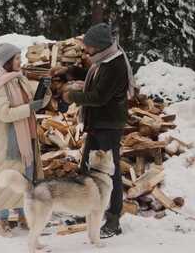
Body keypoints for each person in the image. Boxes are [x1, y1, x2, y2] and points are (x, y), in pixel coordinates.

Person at [59, 23, 135, 238]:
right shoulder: (103, 61)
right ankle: (85, 208)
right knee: (87, 168)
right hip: (97, 123)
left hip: (109, 126)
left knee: (111, 173)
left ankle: (113, 220)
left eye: (89, 46)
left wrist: (71, 96)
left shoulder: (116, 65)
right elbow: (91, 74)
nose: (86, 50)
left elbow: (99, 97)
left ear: (100, 46)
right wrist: (69, 72)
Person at [0, 43, 50, 237]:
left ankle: (22, 215)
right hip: (10, 141)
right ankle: (2, 220)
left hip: (26, 138)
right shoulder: (0, 85)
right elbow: (3, 113)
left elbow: (33, 102)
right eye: (17, 58)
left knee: (26, 177)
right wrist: (29, 108)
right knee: (6, 179)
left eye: (20, 57)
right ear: (8, 61)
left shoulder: (20, 80)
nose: (21, 61)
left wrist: (43, 95)